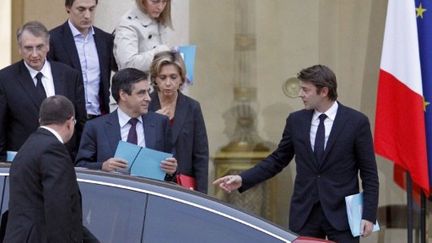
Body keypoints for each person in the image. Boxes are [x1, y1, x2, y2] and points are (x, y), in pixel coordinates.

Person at [213, 65, 379, 242]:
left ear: (324, 91)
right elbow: (278, 160)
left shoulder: (356, 122)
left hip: (342, 215)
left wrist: (368, 214)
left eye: (306, 90)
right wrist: (243, 179)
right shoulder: (296, 121)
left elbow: (369, 173)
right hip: (305, 213)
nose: (300, 94)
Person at [0, 21, 86, 161]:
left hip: (63, 160)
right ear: (20, 49)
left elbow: (81, 121)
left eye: (39, 47)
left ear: (48, 46)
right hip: (23, 163)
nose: (34, 54)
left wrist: (77, 159)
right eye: (28, 48)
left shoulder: (69, 75)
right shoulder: (5, 79)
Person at [4, 95, 82, 242]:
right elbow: (58, 209)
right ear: (70, 122)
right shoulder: (53, 149)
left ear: (40, 121)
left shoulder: (28, 146)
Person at [75, 68, 177, 180]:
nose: (148, 98)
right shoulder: (96, 127)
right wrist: (103, 166)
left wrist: (172, 170)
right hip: (111, 194)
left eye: (148, 92)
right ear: (123, 95)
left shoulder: (160, 123)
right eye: (141, 93)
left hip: (149, 194)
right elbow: (81, 167)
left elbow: (170, 168)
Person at [149, 51, 209, 193]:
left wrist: (201, 196)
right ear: (155, 79)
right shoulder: (146, 105)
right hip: (151, 183)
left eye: (173, 77)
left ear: (181, 79)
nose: (168, 83)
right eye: (162, 77)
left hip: (182, 185)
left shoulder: (192, 107)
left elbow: (200, 155)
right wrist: (152, 122)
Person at [49, 0, 115, 118]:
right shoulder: (53, 39)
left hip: (100, 116)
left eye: (91, 9)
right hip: (66, 118)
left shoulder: (105, 40)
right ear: (68, 7)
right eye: (81, 9)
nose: (87, 15)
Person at [113, 0, 172, 71]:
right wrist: (160, 52)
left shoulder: (160, 20)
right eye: (155, 1)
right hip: (136, 80)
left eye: (164, 2)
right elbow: (128, 65)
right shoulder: (128, 24)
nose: (160, 7)